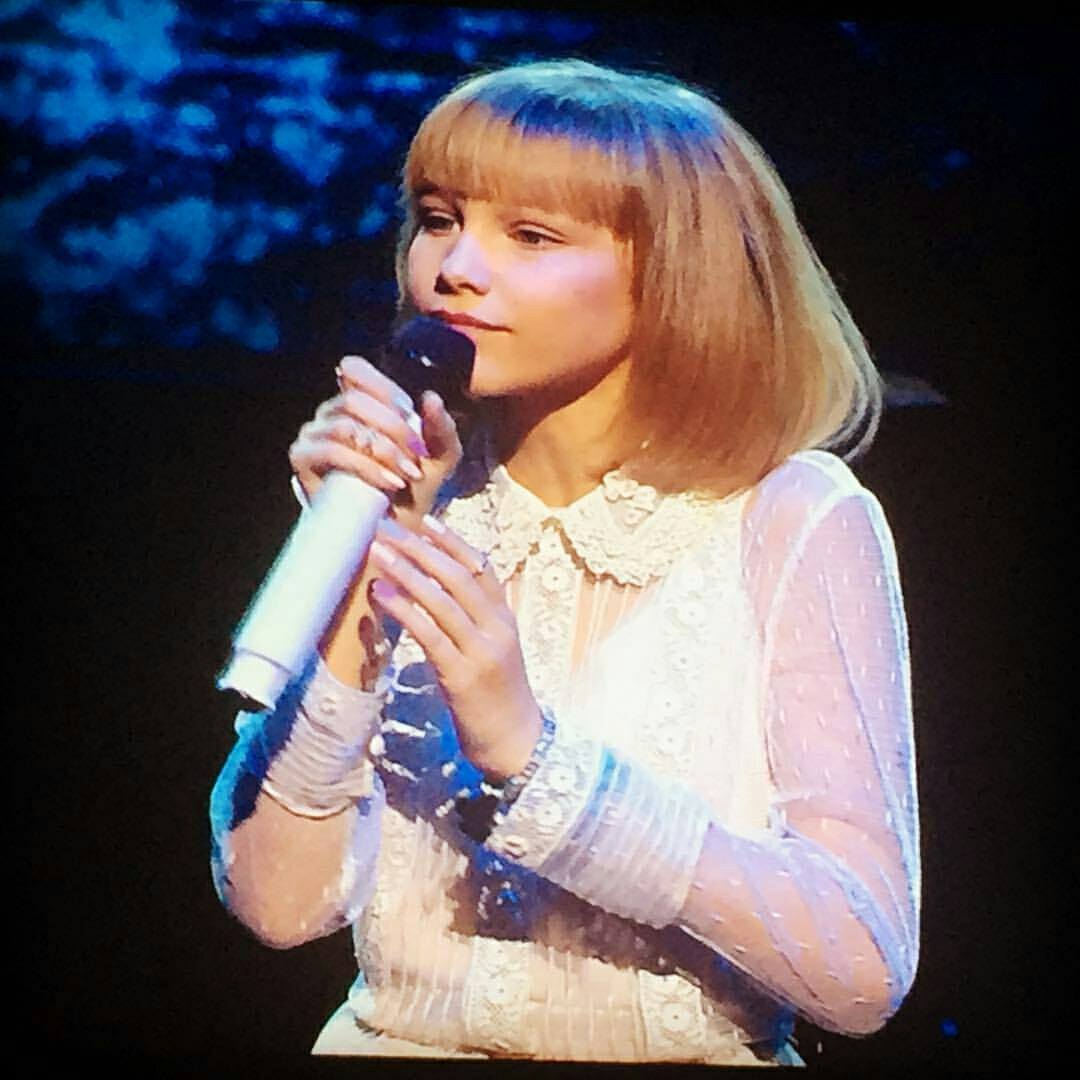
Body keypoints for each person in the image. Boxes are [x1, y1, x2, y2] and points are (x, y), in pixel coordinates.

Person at [210, 58, 920, 1066]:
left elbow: (860, 966)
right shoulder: (418, 497)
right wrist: (367, 564)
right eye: (439, 219)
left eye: (532, 236)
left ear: (673, 273)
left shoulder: (790, 515)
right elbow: (277, 906)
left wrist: (535, 758)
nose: (456, 267)